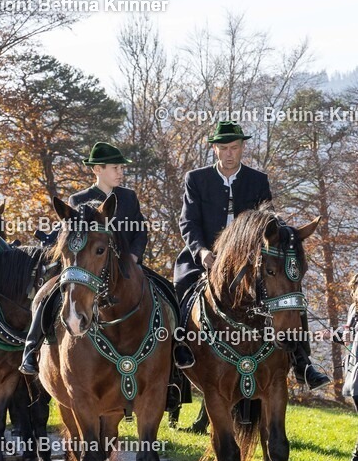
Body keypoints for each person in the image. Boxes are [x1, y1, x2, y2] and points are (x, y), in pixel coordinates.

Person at [173, 119, 329, 391]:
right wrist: (201, 251)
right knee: (179, 287)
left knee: (289, 291)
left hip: (247, 264)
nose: (229, 153)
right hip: (204, 257)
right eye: (224, 148)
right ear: (214, 149)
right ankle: (178, 352)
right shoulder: (196, 179)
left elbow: (270, 223)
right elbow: (188, 222)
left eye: (234, 147)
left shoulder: (258, 180)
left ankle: (301, 360)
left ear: (242, 147)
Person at [20, 141, 160, 377]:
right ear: (97, 170)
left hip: (127, 268)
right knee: (45, 296)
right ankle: (31, 348)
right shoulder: (78, 200)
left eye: (121, 168)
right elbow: (73, 239)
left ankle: (178, 350)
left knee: (164, 291)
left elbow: (140, 232)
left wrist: (134, 257)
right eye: (115, 168)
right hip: (85, 268)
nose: (120, 172)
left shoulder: (128, 197)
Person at [334, 274, 358, 461]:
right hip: (354, 366)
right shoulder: (353, 309)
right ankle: (357, 459)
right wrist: (337, 335)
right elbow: (349, 335)